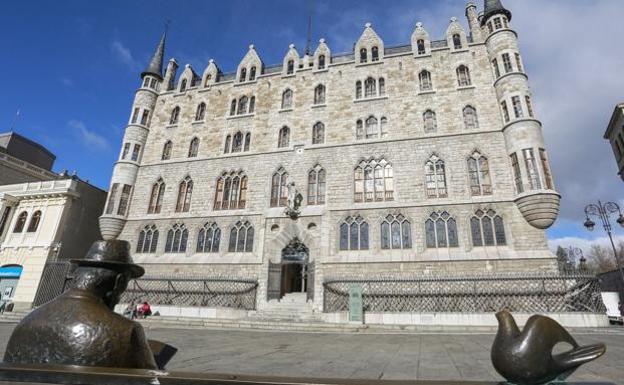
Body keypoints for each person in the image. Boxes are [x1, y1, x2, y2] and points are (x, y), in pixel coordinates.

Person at [3, 240, 157, 369]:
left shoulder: (27, 321)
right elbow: (149, 379)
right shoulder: (126, 330)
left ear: (77, 275)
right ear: (120, 282)